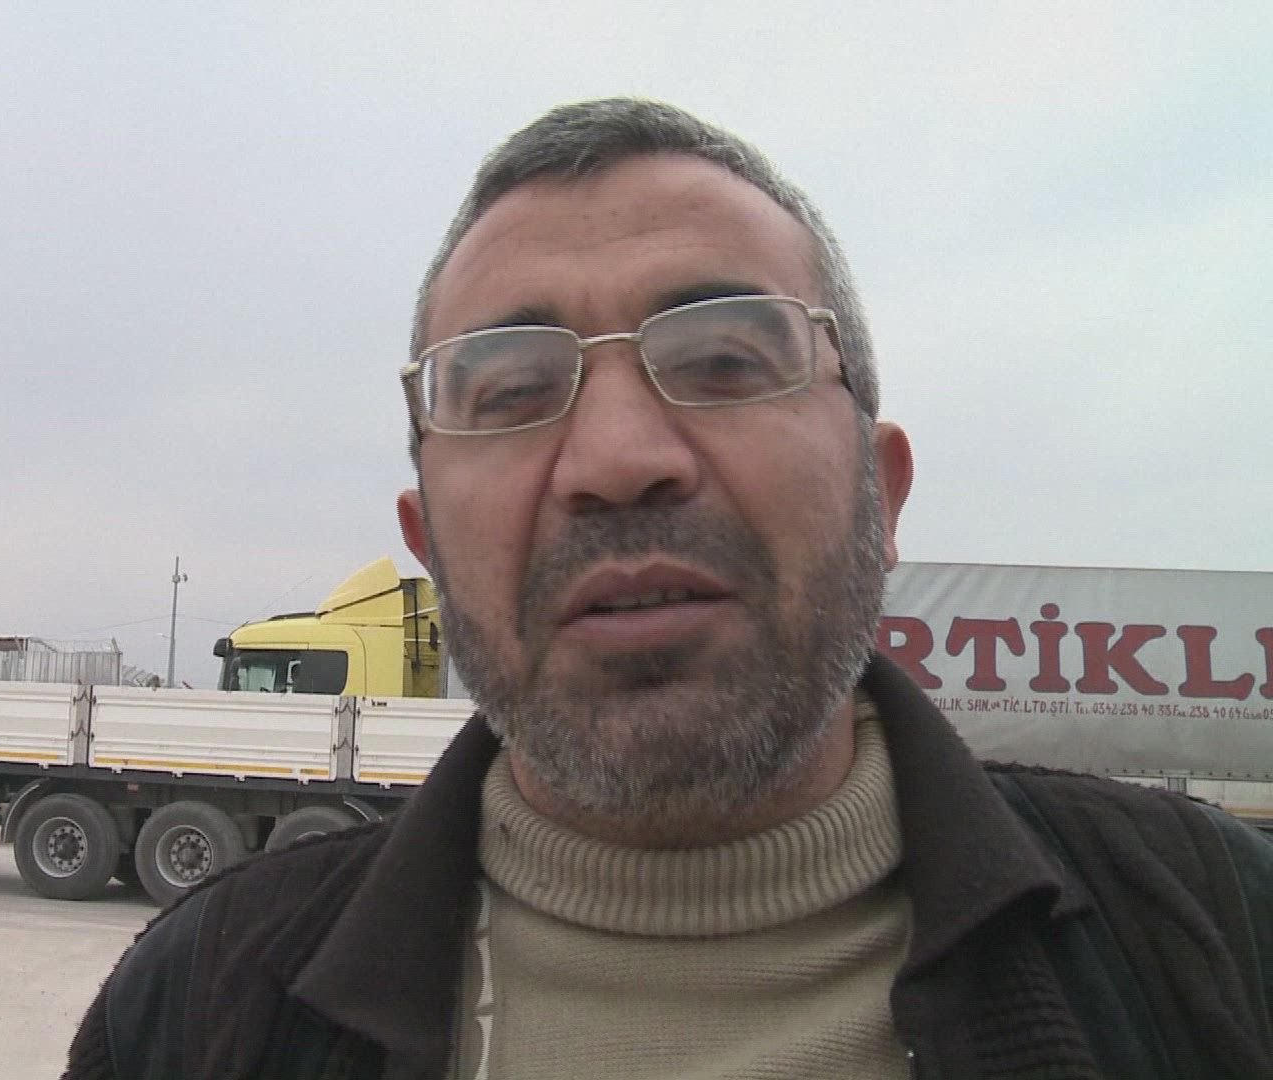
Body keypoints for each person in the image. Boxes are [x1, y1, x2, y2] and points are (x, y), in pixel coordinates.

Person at [65, 98, 1273, 1079]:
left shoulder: (1224, 942)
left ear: (881, 492)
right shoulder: (194, 1013)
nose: (617, 458)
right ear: (429, 545)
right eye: (511, 391)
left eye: (725, 359)